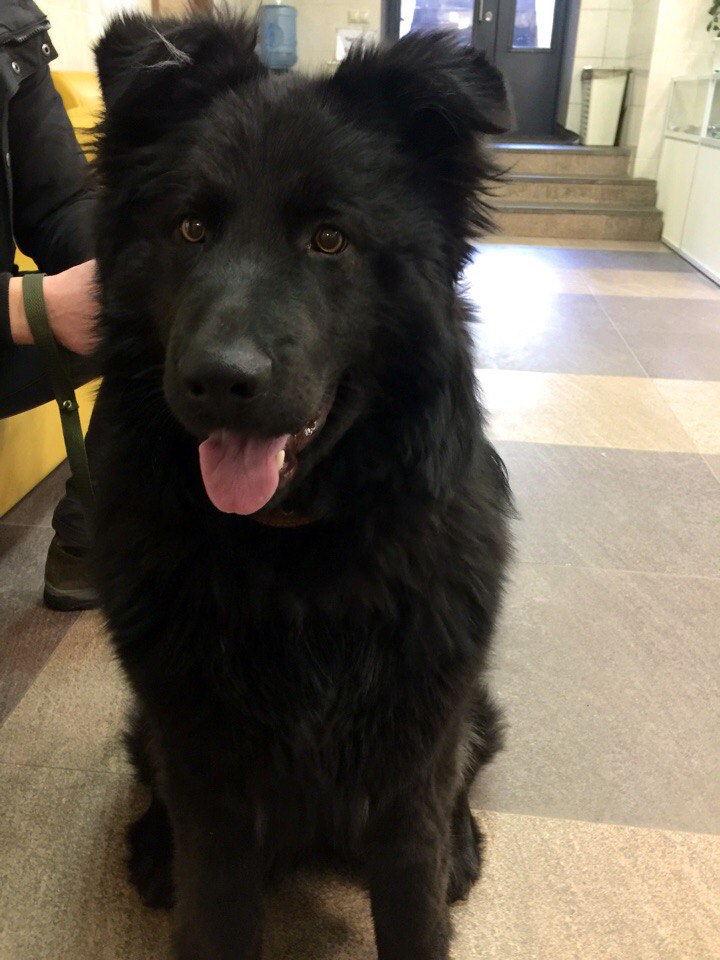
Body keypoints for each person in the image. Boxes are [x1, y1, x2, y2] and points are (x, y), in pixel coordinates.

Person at [0, 0, 99, 610]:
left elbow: (59, 203)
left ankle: (89, 543)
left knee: (162, 311)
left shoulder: (10, 23)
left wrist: (123, 264)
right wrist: (26, 305)